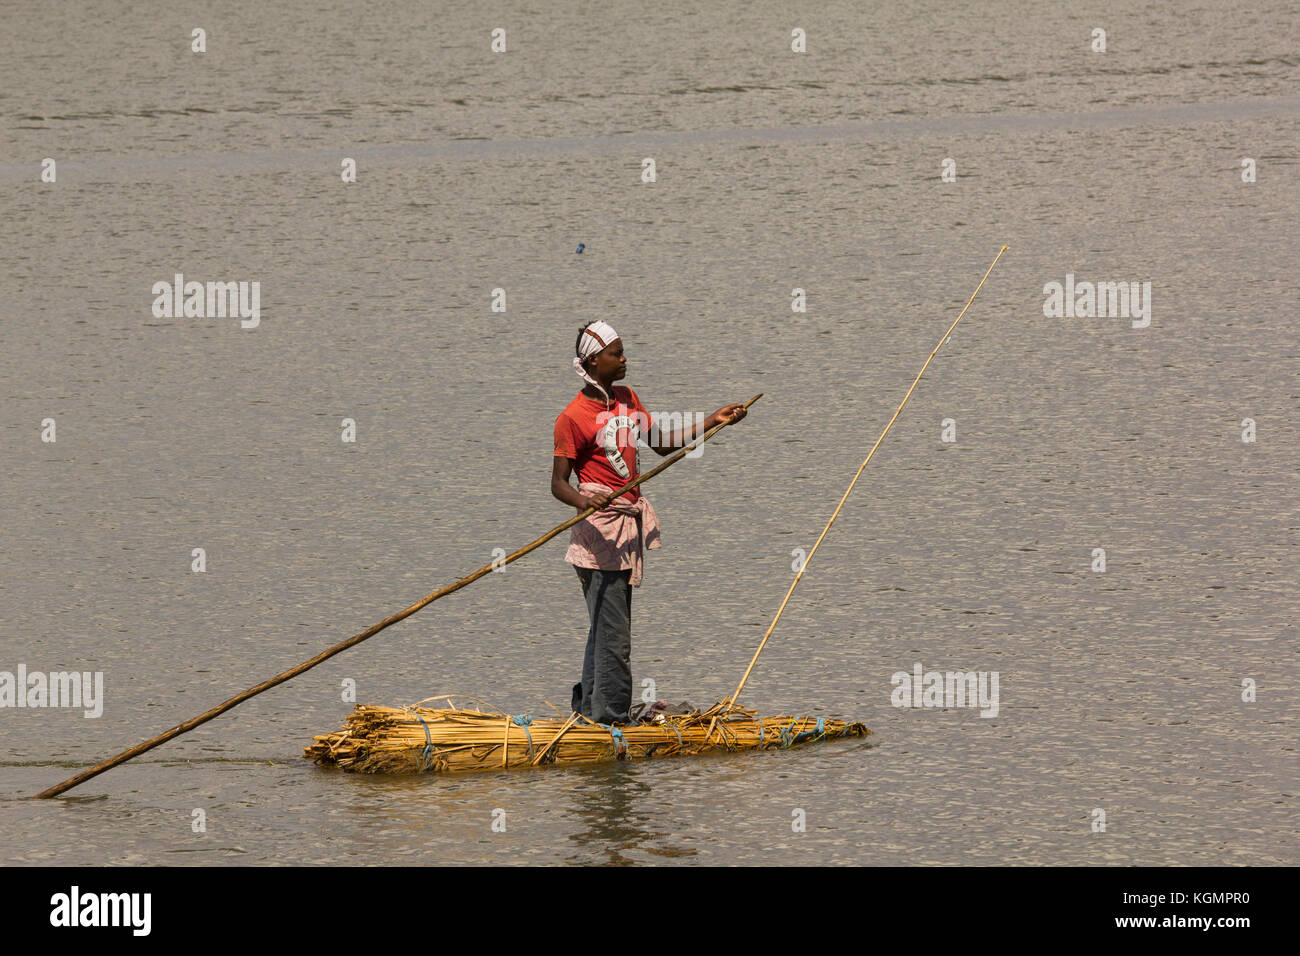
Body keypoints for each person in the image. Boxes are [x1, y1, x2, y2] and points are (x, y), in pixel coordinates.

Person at [551, 320, 747, 725]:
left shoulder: (626, 399)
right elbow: (558, 484)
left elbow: (660, 444)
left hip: (625, 531)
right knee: (614, 637)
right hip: (597, 535)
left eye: (622, 352)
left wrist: (713, 421)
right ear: (592, 361)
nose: (624, 359)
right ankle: (612, 721)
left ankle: (590, 711)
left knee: (603, 631)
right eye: (615, 353)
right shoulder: (572, 417)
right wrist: (587, 500)